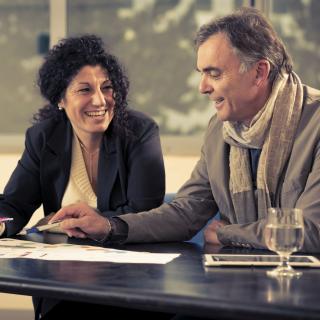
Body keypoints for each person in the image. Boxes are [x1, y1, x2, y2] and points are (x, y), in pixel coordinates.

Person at [52, 7, 320, 253]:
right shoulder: (219, 130)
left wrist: (228, 233)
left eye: (214, 74)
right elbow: (186, 213)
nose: (202, 87)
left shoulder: (315, 122)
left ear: (260, 72)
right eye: (201, 74)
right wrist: (108, 226)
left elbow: (310, 231)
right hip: (237, 284)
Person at [0, 35, 167, 319]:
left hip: (129, 279)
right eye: (85, 90)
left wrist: (65, 224)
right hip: (63, 277)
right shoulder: (42, 137)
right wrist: (2, 223)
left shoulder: (140, 132)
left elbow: (145, 213)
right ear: (60, 99)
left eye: (107, 87)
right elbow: (14, 204)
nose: (100, 100)